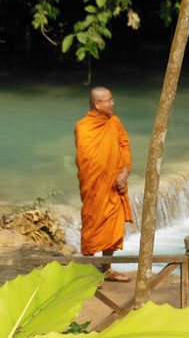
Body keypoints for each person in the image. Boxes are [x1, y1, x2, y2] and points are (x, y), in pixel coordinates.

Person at [75, 87, 132, 282]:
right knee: (93, 223)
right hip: (96, 187)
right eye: (108, 100)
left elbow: (124, 145)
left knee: (113, 228)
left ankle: (106, 269)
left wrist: (124, 173)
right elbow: (87, 161)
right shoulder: (83, 127)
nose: (112, 103)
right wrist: (106, 176)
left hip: (115, 185)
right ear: (97, 104)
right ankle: (88, 273)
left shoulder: (114, 122)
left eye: (112, 99)